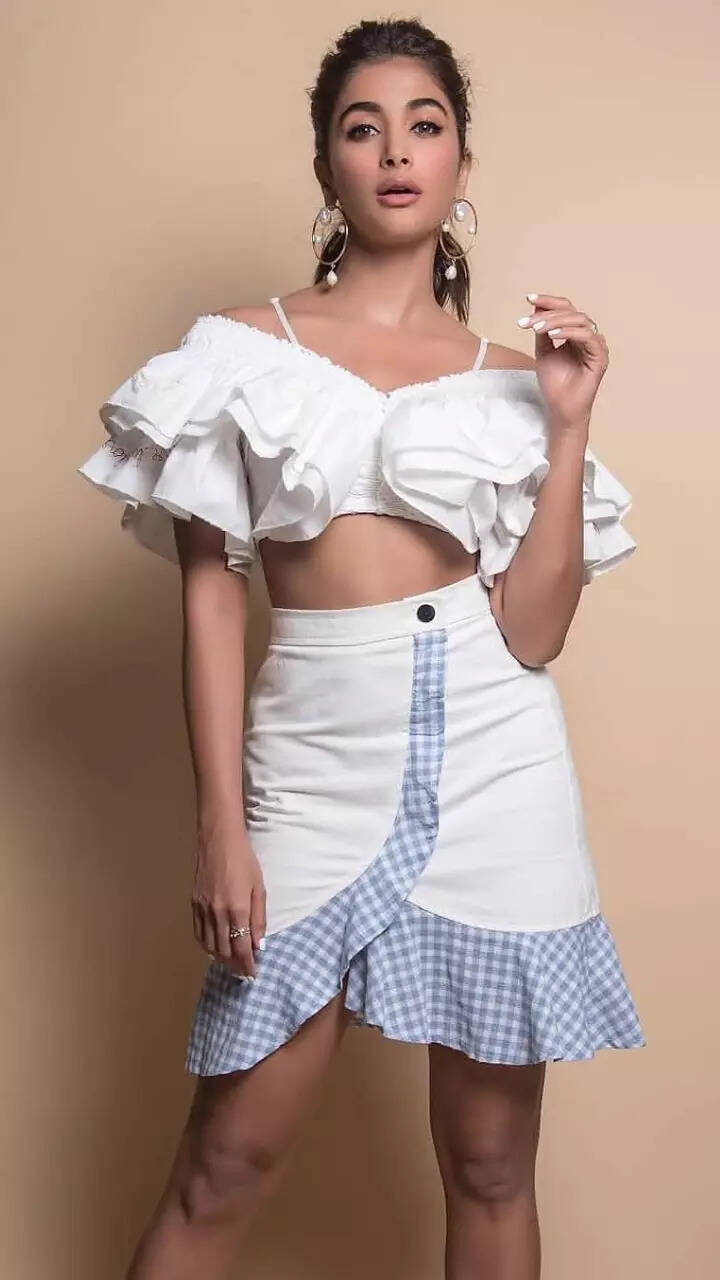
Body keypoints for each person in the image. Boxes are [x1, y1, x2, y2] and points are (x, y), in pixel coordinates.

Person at [77, 16, 646, 1280]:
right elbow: (211, 593)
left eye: (424, 125)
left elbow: (536, 629)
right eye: (363, 126)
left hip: (500, 760)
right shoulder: (238, 352)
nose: (396, 151)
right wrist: (221, 824)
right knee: (223, 1165)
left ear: (461, 163)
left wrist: (567, 427)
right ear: (327, 163)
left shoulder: (517, 378)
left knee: (491, 1167)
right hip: (313, 764)